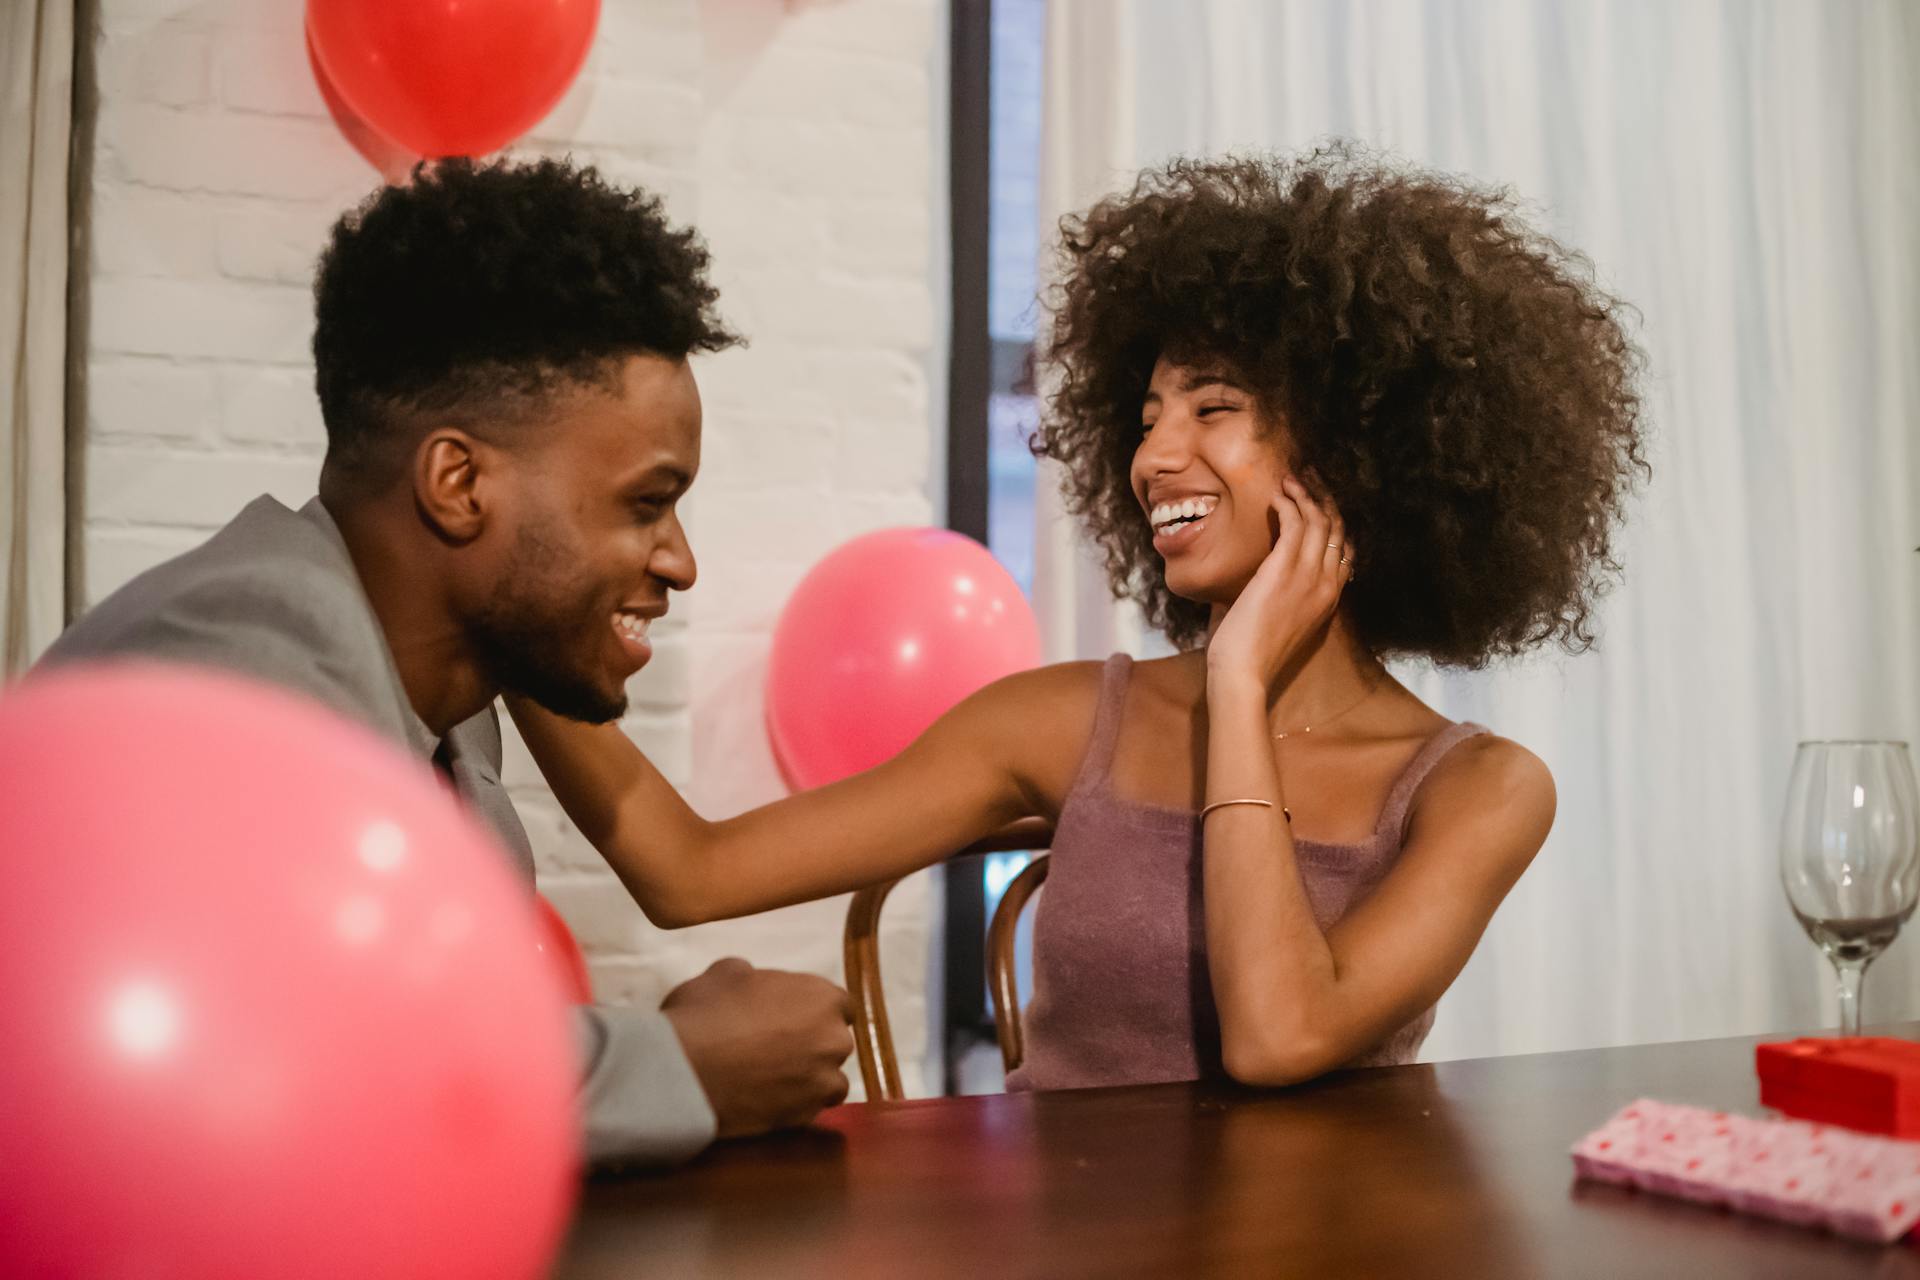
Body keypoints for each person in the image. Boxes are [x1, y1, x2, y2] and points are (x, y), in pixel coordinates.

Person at [510, 146, 1647, 1090]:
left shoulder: (1479, 790)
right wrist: (502, 610)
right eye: (1146, 415)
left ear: (1356, 448)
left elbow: (1280, 1035)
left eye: (1213, 407)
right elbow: (690, 870)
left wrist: (1239, 682)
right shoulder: (1060, 722)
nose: (1155, 456)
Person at [36, 157, 854, 1162]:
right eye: (648, 502)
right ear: (458, 481)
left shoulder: (447, 701)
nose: (680, 561)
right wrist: (684, 1064)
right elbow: (303, 1073)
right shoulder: (236, 662)